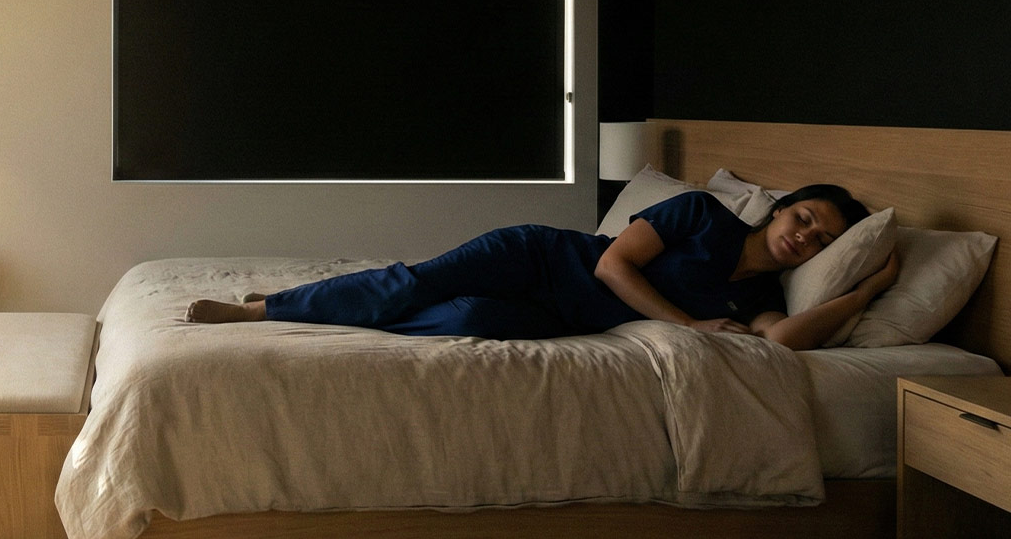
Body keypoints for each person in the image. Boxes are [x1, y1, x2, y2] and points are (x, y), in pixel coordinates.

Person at [185, 185, 900, 351]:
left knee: (468, 321)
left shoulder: (761, 296)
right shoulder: (704, 214)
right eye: (804, 218)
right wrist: (684, 322)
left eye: (823, 241)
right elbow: (617, 266)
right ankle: (264, 310)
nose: (805, 237)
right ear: (780, 209)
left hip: (559, 320)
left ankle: (321, 301)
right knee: (415, 282)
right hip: (539, 256)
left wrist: (864, 289)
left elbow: (783, 341)